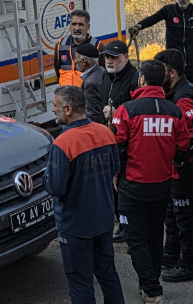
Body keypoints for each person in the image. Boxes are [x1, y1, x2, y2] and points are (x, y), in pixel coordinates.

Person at [112, 60, 191, 304]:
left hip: (133, 185)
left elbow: (117, 148)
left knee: (135, 239)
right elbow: (183, 147)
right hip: (162, 184)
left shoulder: (126, 110)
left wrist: (117, 174)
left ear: (142, 79)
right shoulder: (174, 110)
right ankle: (150, 283)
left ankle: (151, 288)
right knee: (155, 235)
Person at [47, 85, 126, 304]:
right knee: (108, 274)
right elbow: (113, 168)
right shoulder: (105, 132)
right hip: (103, 219)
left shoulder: (63, 143)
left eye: (55, 105)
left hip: (75, 225)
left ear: (69, 109)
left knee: (80, 282)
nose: (53, 110)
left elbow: (55, 187)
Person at [156, 49, 193, 283]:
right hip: (178, 165)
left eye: (162, 71)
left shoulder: (183, 96)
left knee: (184, 215)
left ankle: (189, 265)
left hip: (185, 166)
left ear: (173, 72)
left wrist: (181, 157)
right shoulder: (178, 90)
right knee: (172, 211)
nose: (158, 75)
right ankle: (171, 254)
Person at [102, 39, 140, 241]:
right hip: (108, 139)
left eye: (115, 57)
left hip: (129, 143)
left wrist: (117, 113)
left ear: (125, 57)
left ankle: (128, 227)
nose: (110, 60)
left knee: (122, 185)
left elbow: (140, 112)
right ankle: (120, 221)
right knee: (111, 184)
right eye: (107, 56)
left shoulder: (135, 78)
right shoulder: (106, 76)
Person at [57, 9, 98, 76]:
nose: (77, 28)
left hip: (86, 86)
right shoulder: (61, 45)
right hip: (66, 87)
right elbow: (58, 70)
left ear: (88, 27)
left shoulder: (97, 46)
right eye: (74, 24)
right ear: (70, 26)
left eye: (81, 24)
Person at [77, 43, 109, 124]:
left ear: (84, 61)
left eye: (76, 58)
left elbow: (92, 114)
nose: (75, 61)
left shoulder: (90, 83)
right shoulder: (101, 70)